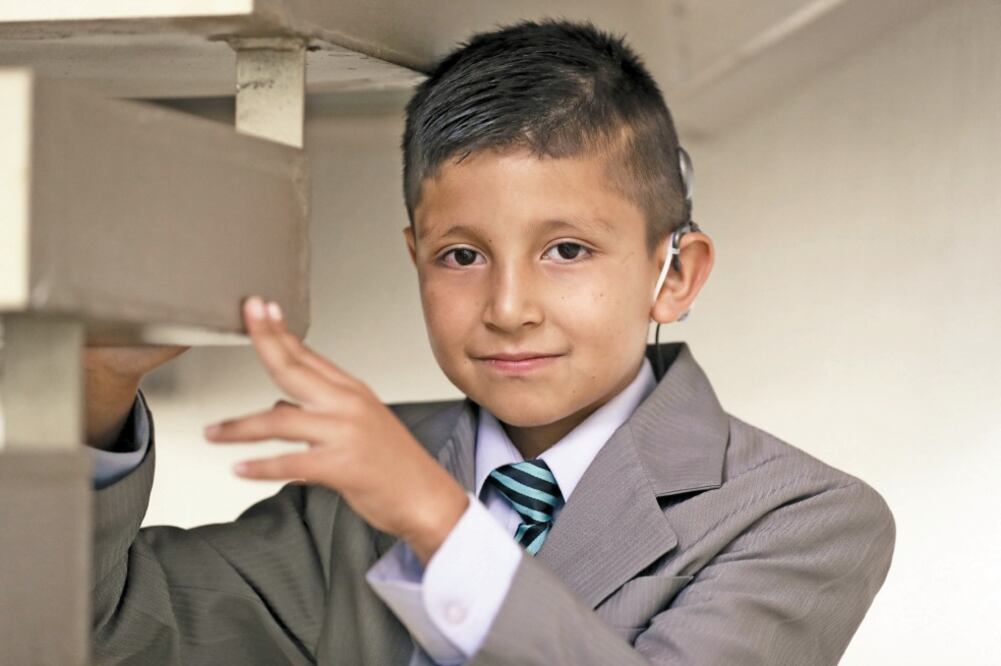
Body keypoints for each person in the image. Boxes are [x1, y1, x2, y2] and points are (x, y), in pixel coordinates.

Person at [84, 18, 895, 665]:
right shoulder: (356, 488)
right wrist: (95, 388)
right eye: (461, 256)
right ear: (415, 259)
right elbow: (99, 636)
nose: (509, 307)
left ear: (675, 275)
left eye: (567, 251)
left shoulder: (801, 516)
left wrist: (437, 519)